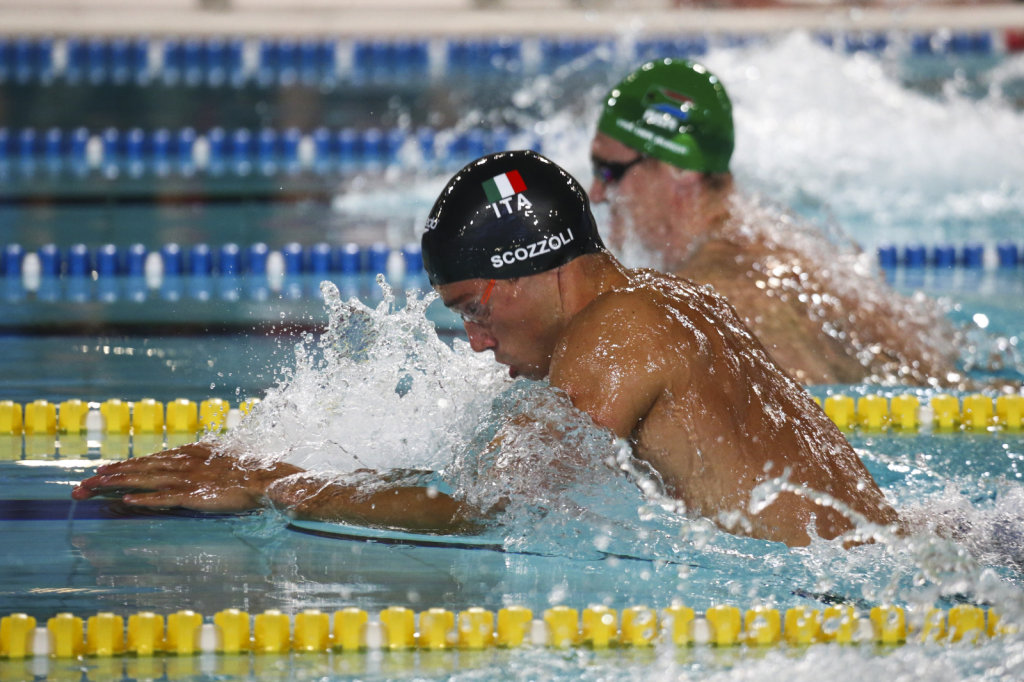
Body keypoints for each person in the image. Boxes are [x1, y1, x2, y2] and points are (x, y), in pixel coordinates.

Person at [73, 150, 898, 547]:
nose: (472, 340)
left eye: (473, 307)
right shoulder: (668, 302)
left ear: (536, 271)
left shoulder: (616, 333)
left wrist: (273, 485)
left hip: (835, 599)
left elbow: (496, 514)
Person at [590, 58, 958, 386]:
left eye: (609, 170)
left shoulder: (711, 299)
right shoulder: (780, 242)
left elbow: (806, 430)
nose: (597, 193)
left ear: (680, 167)